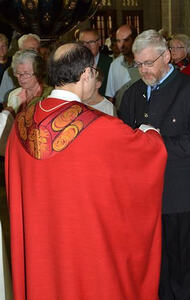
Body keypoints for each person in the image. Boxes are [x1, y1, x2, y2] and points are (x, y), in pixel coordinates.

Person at [5, 42, 167, 300]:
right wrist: (150, 134)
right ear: (86, 74)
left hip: (41, 240)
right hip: (82, 244)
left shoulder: (24, 118)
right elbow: (146, 156)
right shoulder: (100, 126)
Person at [120, 29, 190, 300]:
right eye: (138, 64)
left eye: (149, 63)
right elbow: (124, 138)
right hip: (144, 194)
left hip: (180, 193)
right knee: (152, 257)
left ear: (167, 56)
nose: (143, 70)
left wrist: (154, 144)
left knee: (180, 258)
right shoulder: (133, 93)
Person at [105, 24, 140, 111]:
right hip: (121, 115)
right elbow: (111, 96)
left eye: (126, 40)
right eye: (118, 41)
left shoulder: (145, 63)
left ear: (135, 39)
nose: (122, 45)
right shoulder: (115, 64)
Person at [0, 33, 40, 103]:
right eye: (32, 49)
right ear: (21, 50)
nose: (36, 53)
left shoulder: (47, 69)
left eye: (37, 49)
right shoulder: (10, 72)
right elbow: (4, 100)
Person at [78, 29, 112, 97]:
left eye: (91, 42)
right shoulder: (74, 64)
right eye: (83, 43)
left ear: (99, 42)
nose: (87, 46)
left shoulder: (110, 63)